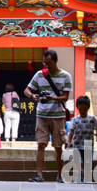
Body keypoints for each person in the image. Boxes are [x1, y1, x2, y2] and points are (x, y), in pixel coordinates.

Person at [25, 49, 71, 182]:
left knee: (58, 146)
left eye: (49, 63)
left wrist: (53, 98)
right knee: (41, 144)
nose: (46, 66)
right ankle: (39, 175)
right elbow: (27, 90)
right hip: (42, 115)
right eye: (44, 63)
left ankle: (60, 174)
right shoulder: (40, 75)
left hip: (58, 116)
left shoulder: (65, 76)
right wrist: (33, 95)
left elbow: (65, 97)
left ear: (55, 61)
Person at [66, 96, 97, 182]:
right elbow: (71, 132)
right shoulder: (75, 120)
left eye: (84, 109)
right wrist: (69, 142)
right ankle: (78, 177)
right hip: (77, 144)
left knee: (87, 162)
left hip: (88, 145)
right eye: (80, 109)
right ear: (77, 108)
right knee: (77, 162)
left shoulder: (92, 118)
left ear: (88, 107)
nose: (82, 111)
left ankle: (87, 178)